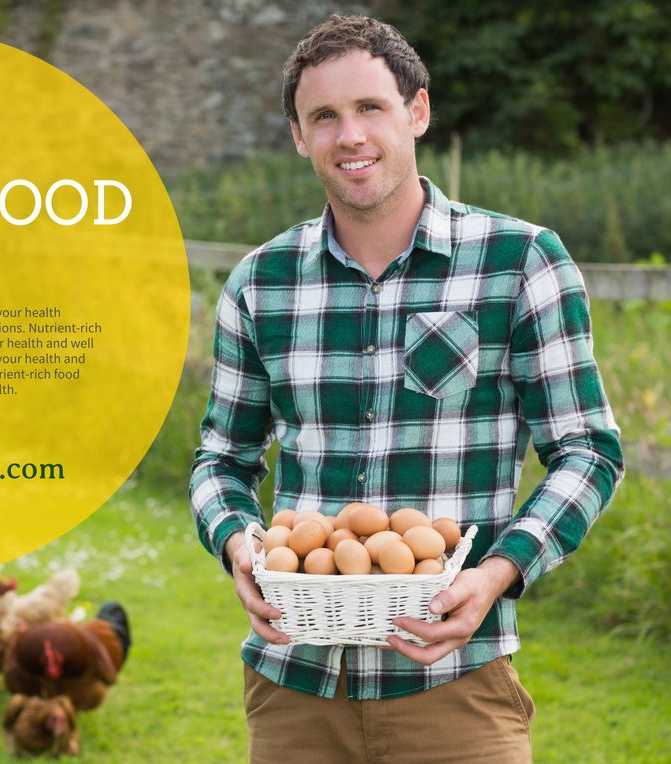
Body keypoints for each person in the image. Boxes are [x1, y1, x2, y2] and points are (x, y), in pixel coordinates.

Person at [188, 14, 624, 763]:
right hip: (295, 689)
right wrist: (235, 543)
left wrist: (497, 572)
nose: (348, 135)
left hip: (455, 685)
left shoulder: (519, 261)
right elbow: (220, 460)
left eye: (370, 108)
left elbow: (587, 450)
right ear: (298, 136)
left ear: (416, 112)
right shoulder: (262, 281)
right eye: (323, 116)